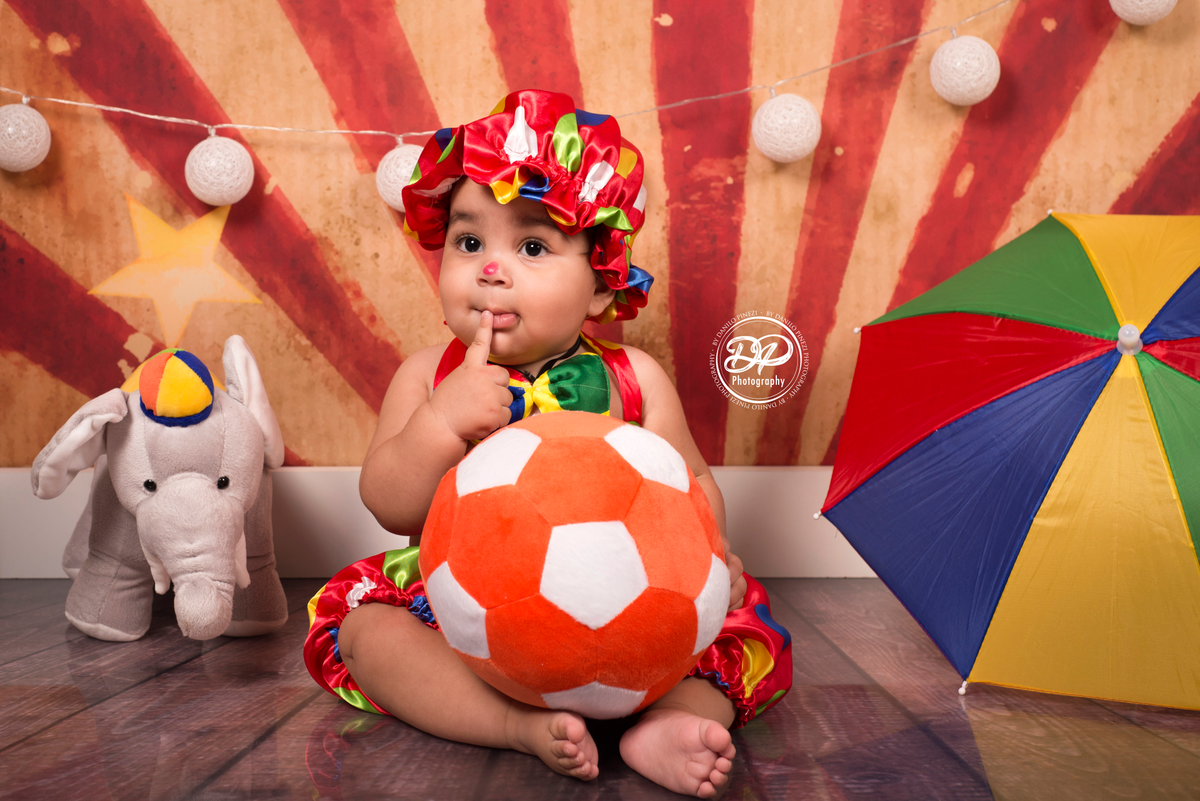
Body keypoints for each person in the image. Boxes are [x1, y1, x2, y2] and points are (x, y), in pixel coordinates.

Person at [303, 89, 791, 799]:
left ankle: (666, 724)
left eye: (532, 246)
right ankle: (508, 722)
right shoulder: (427, 375)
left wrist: (713, 557)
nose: (491, 269)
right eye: (469, 243)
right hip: (468, 609)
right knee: (366, 629)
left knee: (733, 637)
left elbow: (690, 484)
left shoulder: (634, 378)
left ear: (600, 285)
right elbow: (388, 502)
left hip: (629, 608)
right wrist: (442, 423)